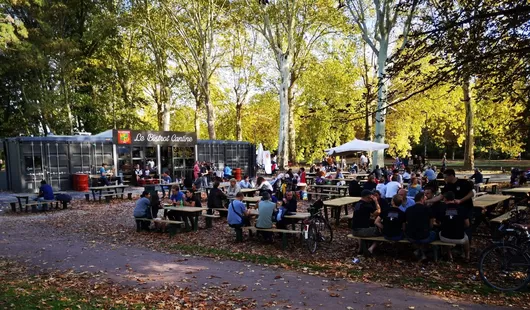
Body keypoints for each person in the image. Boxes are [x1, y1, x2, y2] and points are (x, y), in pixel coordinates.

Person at [426, 168, 474, 241]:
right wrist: (427, 201)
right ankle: (454, 240)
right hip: (453, 209)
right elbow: (440, 197)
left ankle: (467, 242)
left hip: (466, 207)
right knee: (453, 222)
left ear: (451, 176)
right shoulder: (447, 186)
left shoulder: (463, 182)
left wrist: (461, 200)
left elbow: (472, 193)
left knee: (467, 225)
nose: (444, 179)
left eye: (445, 177)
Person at [436, 191, 470, 261]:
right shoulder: (461, 208)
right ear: (454, 199)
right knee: (466, 239)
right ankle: (467, 256)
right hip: (460, 237)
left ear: (445, 199)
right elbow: (467, 224)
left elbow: (438, 222)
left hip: (445, 237)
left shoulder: (441, 208)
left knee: (441, 232)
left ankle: (449, 256)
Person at [405, 192, 436, 261]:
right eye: (425, 198)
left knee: (417, 236)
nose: (426, 199)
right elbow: (431, 225)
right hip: (424, 236)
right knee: (433, 233)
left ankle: (419, 251)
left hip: (410, 236)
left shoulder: (408, 209)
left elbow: (406, 223)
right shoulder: (428, 209)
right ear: (422, 199)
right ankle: (422, 251)